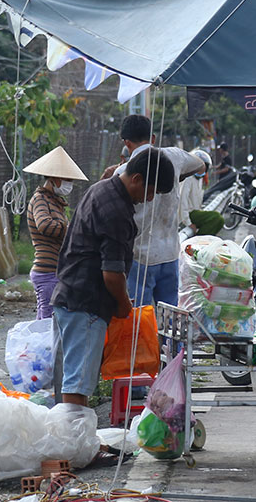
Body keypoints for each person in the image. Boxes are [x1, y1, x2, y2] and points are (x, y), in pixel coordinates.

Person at [53, 147, 176, 405]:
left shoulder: (100, 190)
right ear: (137, 179)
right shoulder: (116, 210)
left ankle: (76, 435)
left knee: (78, 377)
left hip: (71, 296)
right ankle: (74, 438)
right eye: (150, 191)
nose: (150, 199)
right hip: (85, 302)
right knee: (78, 381)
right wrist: (124, 304)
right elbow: (112, 273)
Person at [103, 115, 207, 306]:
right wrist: (178, 176)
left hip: (139, 257)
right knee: (170, 315)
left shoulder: (122, 173)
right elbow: (200, 164)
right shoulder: (174, 156)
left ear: (126, 142)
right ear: (152, 138)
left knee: (139, 316)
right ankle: (166, 338)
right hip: (169, 253)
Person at [21, 146, 87, 321]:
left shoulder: (55, 201)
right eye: (67, 179)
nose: (69, 185)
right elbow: (45, 225)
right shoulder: (40, 199)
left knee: (49, 321)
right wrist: (70, 228)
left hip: (55, 271)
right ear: (55, 178)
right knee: (47, 323)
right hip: (47, 271)